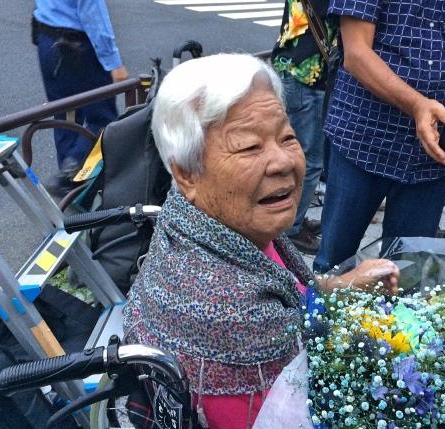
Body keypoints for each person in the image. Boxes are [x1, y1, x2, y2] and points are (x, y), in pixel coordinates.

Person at [122, 53, 399, 429]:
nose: (282, 162)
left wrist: (340, 286)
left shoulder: (204, 223)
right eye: (249, 147)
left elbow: (296, 301)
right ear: (187, 174)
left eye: (287, 137)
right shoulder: (232, 312)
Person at [314, 0, 445, 274]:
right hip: (362, 137)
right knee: (334, 263)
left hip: (435, 151)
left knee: (410, 273)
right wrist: (417, 105)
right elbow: (356, 52)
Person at [32, 0, 129, 195]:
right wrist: (113, 62)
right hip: (78, 46)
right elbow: (92, 11)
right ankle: (74, 169)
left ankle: (69, 184)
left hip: (47, 36)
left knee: (66, 116)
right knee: (101, 118)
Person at [270, 0, 337, 254]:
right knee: (307, 161)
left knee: (299, 155)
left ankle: (295, 218)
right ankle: (291, 229)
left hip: (297, 69)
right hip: (307, 76)